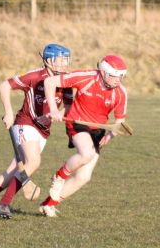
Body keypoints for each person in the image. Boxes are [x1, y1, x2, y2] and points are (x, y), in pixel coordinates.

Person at [0, 43, 73, 220]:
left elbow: (69, 105)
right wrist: (8, 112)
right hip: (25, 123)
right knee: (34, 162)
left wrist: (58, 114)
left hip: (43, 132)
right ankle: (4, 204)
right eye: (60, 60)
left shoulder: (65, 80)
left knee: (11, 173)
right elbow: (4, 86)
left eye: (65, 60)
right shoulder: (35, 76)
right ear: (48, 61)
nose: (64, 64)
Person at [39, 54, 128, 217]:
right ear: (103, 72)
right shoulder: (86, 77)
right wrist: (53, 109)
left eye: (120, 77)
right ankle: (59, 177)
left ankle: (48, 204)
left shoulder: (120, 93)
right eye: (114, 76)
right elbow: (49, 82)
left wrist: (110, 136)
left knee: (84, 177)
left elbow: (120, 121)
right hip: (77, 122)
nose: (117, 80)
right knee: (86, 153)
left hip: (98, 130)